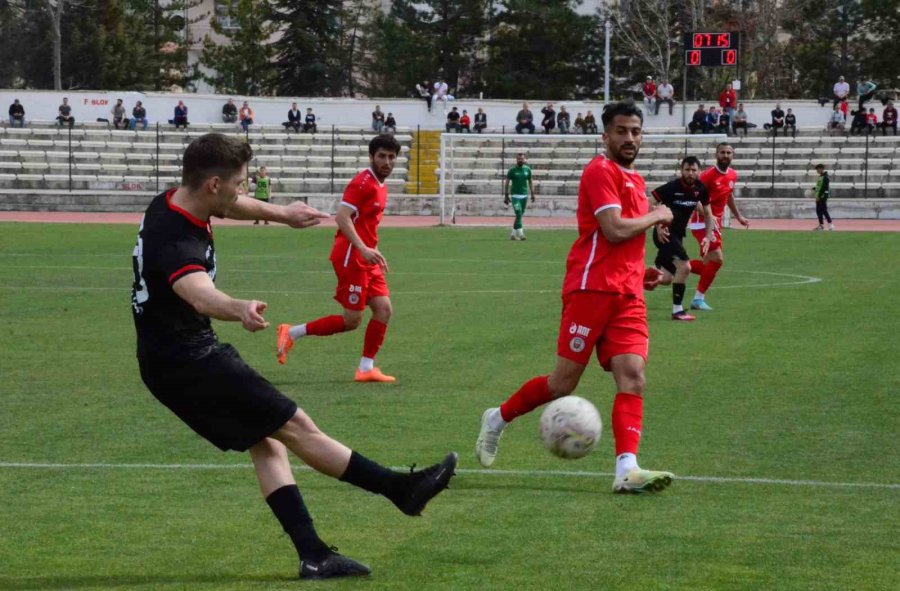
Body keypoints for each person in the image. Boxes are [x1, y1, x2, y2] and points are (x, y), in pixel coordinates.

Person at [131, 133, 456, 581]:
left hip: (167, 360)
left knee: (266, 441)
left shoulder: (175, 200)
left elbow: (235, 207)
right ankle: (401, 489)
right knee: (296, 426)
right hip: (189, 360)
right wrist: (238, 307)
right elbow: (197, 293)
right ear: (212, 184)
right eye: (239, 183)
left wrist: (283, 214)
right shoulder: (176, 239)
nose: (243, 191)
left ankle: (313, 555)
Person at [474, 101, 676, 495]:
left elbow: (625, 241)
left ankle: (626, 470)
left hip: (627, 294)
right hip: (590, 290)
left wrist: (641, 272)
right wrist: (658, 215)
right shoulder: (599, 170)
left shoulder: (635, 179)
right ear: (606, 135)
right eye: (621, 131)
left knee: (633, 377)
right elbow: (615, 229)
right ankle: (497, 418)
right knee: (562, 383)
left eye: (635, 131)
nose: (629, 138)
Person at [276, 135, 403, 383]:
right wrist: (363, 249)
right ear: (371, 157)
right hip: (351, 257)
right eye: (382, 156)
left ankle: (366, 368)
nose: (387, 161)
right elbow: (342, 217)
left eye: (391, 157)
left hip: (367, 257)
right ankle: (291, 332)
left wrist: (371, 250)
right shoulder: (362, 183)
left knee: (384, 309)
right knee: (351, 320)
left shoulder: (380, 184)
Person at [687, 142, 750, 311]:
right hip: (702, 222)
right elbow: (693, 198)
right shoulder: (707, 175)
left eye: (729, 152)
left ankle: (674, 265)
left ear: (732, 155)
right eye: (722, 152)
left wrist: (739, 216)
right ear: (716, 154)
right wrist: (708, 215)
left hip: (716, 224)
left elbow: (728, 196)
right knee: (717, 259)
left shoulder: (732, 175)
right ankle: (698, 299)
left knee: (708, 264)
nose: (725, 155)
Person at [651, 156, 714, 321]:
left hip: (678, 235)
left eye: (694, 170)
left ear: (699, 172)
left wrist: (708, 237)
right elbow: (650, 203)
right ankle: (677, 311)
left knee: (665, 279)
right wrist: (657, 225)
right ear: (681, 171)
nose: (690, 173)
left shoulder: (700, 189)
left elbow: (708, 214)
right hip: (665, 233)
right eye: (687, 170)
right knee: (685, 267)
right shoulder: (672, 187)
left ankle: (641, 276)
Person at [504, 153, 535, 241]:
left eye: (522, 159)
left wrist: (533, 193)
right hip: (515, 196)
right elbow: (506, 183)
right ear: (516, 160)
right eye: (519, 159)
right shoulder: (512, 170)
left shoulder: (527, 170)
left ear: (524, 160)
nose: (520, 160)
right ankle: (521, 234)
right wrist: (506, 195)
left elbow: (530, 182)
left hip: (524, 196)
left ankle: (513, 234)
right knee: (518, 213)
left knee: (519, 215)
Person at [812, 163, 834, 231]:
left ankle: (830, 224)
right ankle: (821, 225)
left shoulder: (825, 177)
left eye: (817, 169)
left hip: (822, 196)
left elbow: (824, 188)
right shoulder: (821, 177)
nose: (817, 171)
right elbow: (819, 187)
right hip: (818, 196)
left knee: (824, 210)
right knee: (818, 211)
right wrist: (814, 188)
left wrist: (819, 196)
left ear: (821, 169)